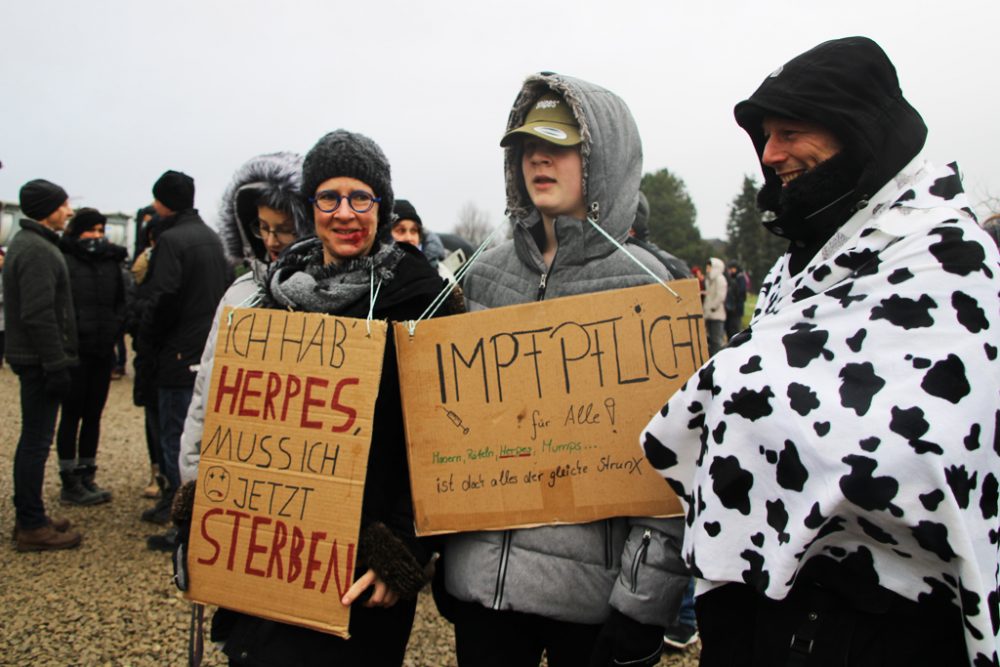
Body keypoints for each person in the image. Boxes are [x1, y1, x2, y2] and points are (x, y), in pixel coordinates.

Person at [642, 36, 1000, 666]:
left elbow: (925, 454)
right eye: (765, 136)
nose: (771, 154)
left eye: (791, 132)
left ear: (856, 133)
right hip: (759, 602)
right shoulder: (804, 263)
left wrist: (743, 396)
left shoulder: (948, 260)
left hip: (881, 623)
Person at [440, 74, 689, 667]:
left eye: (562, 143)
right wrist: (453, 557)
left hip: (593, 608)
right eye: (528, 145)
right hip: (484, 600)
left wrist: (642, 605)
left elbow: (674, 469)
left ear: (603, 158)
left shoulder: (652, 286)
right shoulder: (484, 274)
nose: (539, 157)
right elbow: (454, 429)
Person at [200, 130, 453, 666]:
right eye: (329, 197)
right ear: (311, 205)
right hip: (273, 550)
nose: (345, 213)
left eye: (360, 198)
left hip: (363, 564)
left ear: (380, 207)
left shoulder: (423, 299)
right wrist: (209, 496)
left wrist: (406, 547)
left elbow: (444, 436)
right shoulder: (276, 293)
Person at [176, 151, 310, 489]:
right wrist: (192, 474)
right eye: (262, 227)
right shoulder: (240, 294)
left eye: (284, 230)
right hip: (237, 473)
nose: (270, 240)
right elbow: (207, 387)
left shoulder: (331, 295)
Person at [137, 170, 230, 539]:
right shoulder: (210, 237)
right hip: (201, 347)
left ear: (162, 202)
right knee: (192, 434)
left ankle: (181, 521)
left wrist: (148, 341)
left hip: (175, 352)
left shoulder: (171, 240)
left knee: (175, 436)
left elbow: (163, 299)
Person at [4, 179, 81, 551]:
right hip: (38, 361)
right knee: (36, 442)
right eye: (64, 204)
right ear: (48, 208)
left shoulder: (32, 243)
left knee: (34, 440)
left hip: (34, 359)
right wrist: (55, 363)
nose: (69, 210)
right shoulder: (37, 250)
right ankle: (31, 525)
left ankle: (31, 515)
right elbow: (38, 314)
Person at [55, 207, 126, 505]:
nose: (96, 236)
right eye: (90, 230)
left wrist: (114, 331)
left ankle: (87, 472)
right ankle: (68, 478)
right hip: (75, 353)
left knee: (94, 415)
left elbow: (121, 302)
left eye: (100, 230)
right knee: (71, 414)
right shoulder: (65, 260)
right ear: (76, 231)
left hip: (101, 349)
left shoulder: (111, 263)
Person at [701, 257, 727, 356]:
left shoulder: (720, 279)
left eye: (709, 267)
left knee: (716, 341)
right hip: (709, 314)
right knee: (710, 341)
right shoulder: (709, 280)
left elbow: (721, 296)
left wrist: (712, 307)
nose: (707, 269)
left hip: (716, 315)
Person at [723, 260, 747, 340]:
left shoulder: (740, 278)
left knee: (735, 328)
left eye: (732, 268)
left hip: (736, 308)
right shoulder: (733, 278)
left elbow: (741, 292)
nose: (731, 271)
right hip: (732, 308)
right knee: (730, 328)